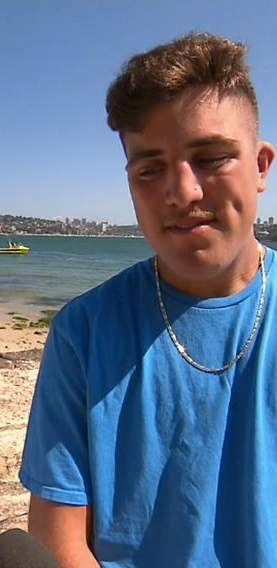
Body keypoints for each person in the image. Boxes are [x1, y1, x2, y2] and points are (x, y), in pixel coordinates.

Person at [19, 32, 277, 566]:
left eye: (210, 157)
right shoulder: (82, 332)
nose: (182, 192)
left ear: (260, 167)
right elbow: (58, 536)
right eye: (150, 168)